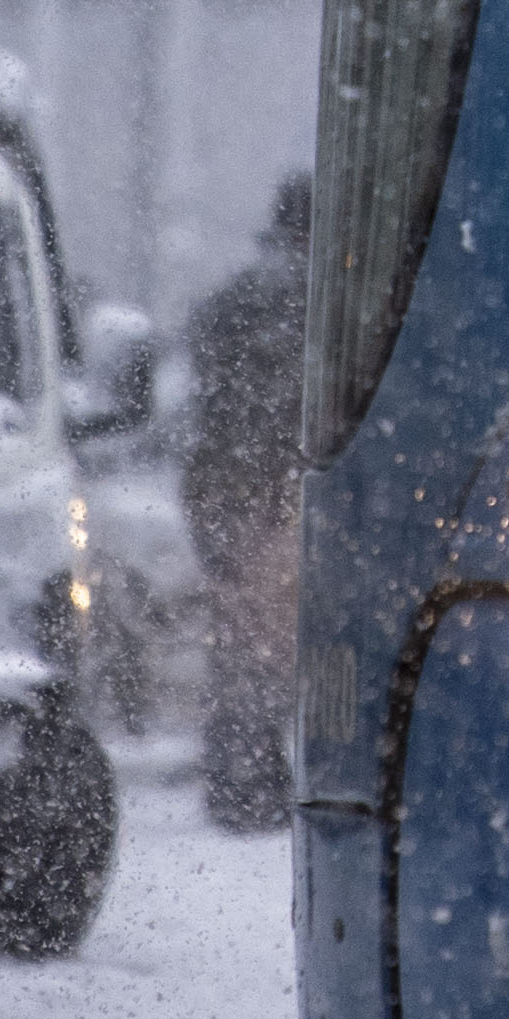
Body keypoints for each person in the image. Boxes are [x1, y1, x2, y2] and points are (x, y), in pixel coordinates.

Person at [182, 175, 312, 833]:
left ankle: (239, 777)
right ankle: (255, 777)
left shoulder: (233, 300)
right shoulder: (308, 299)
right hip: (272, 496)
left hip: (223, 492)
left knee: (240, 641)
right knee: (270, 643)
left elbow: (205, 371)